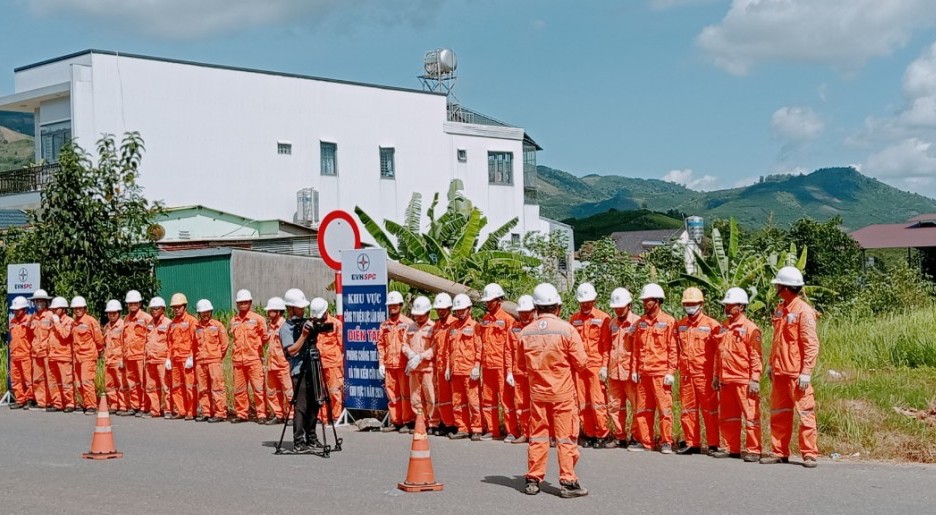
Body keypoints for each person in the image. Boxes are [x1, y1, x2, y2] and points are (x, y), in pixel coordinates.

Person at [519, 283, 589, 498]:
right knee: (565, 437)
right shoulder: (567, 329)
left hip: (537, 394)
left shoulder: (525, 332)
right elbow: (582, 363)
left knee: (538, 436)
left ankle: (533, 479)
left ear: (536, 308)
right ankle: (568, 482)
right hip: (562, 394)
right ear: (557, 307)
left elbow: (521, 367)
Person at [761, 267, 820, 468]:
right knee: (779, 413)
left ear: (785, 287)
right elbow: (777, 340)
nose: (776, 287)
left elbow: (811, 344)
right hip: (780, 372)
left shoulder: (804, 311)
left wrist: (806, 372)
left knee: (805, 413)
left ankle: (809, 453)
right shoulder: (781, 309)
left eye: (778, 285)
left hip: (796, 374)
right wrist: (770, 364)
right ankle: (779, 452)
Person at [712, 287, 762, 462]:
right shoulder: (723, 327)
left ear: (740, 306)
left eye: (730, 305)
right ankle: (729, 447)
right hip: (726, 380)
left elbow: (756, 356)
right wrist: (716, 376)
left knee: (750, 417)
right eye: (726, 304)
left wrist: (754, 379)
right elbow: (719, 353)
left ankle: (754, 450)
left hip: (743, 381)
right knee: (727, 418)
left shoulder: (750, 328)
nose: (726, 307)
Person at [630, 283, 678, 453]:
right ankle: (646, 442)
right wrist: (635, 370)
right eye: (644, 301)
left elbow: (673, 348)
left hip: (660, 373)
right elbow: (636, 348)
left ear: (657, 301)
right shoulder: (641, 323)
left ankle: (666, 442)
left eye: (647, 301)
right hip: (643, 373)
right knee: (643, 410)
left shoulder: (669, 322)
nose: (644, 304)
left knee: (664, 410)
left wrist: (671, 371)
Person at [675, 287, 722, 456]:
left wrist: (717, 375)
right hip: (686, 375)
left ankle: (713, 444)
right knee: (688, 410)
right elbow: (676, 349)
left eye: (693, 303)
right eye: (687, 304)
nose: (690, 306)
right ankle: (691, 442)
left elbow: (719, 353)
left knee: (709, 410)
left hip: (705, 375)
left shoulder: (712, 325)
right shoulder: (680, 326)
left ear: (701, 304)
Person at [569, 282, 613, 448]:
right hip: (579, 367)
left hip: (596, 365)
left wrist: (604, 366)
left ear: (594, 300)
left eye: (588, 301)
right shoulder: (574, 320)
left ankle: (602, 433)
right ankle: (588, 433)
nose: (585, 304)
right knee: (583, 401)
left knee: (598, 400)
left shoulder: (603, 318)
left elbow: (606, 345)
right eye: (582, 301)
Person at [280, 288, 320, 453]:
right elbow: (291, 351)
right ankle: (298, 441)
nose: (302, 310)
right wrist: (303, 336)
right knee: (301, 407)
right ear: (290, 308)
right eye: (299, 307)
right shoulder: (286, 328)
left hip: (311, 367)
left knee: (314, 404)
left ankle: (311, 438)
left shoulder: (305, 323)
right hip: (298, 370)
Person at [478, 283, 516, 440]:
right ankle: (492, 430)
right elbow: (481, 342)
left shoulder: (508, 320)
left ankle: (511, 431)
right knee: (488, 400)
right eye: (486, 301)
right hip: (487, 366)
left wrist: (510, 370)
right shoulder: (485, 320)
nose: (488, 304)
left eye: (490, 301)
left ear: (499, 300)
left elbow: (510, 346)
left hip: (501, 366)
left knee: (506, 400)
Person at [446, 293, 483, 440]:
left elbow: (479, 348)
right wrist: (449, 368)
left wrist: (477, 366)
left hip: (469, 371)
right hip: (456, 371)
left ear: (469, 309)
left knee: (473, 401)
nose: (460, 313)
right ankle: (462, 428)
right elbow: (448, 350)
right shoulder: (452, 328)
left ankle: (477, 428)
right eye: (457, 310)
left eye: (463, 310)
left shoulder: (475, 327)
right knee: (457, 402)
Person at [606, 288, 639, 448]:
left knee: (636, 406)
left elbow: (640, 350)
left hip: (630, 372)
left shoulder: (637, 323)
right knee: (614, 406)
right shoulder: (612, 324)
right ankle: (619, 437)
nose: (618, 310)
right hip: (614, 372)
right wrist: (604, 368)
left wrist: (636, 371)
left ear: (629, 305)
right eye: (616, 308)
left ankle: (635, 436)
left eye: (621, 307)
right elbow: (607, 348)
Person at [377, 291, 414, 432]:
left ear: (400, 305)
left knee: (405, 394)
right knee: (392, 395)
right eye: (390, 305)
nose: (392, 307)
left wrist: (411, 361)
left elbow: (412, 343)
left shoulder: (408, 324)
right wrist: (381, 363)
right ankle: (395, 421)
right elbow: (381, 345)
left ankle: (407, 421)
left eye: (395, 305)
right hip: (389, 365)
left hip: (403, 365)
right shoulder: (384, 326)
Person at [229, 289, 268, 423]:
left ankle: (261, 414)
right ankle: (242, 413)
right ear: (237, 304)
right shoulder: (233, 321)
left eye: (245, 302)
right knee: (239, 389)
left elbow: (264, 337)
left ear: (250, 303)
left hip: (253, 359)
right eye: (240, 303)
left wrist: (255, 350)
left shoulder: (258, 319)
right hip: (238, 361)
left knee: (258, 388)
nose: (243, 305)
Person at [308, 297, 343, 424]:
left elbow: (341, 344)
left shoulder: (335, 324)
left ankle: (335, 416)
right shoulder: (312, 324)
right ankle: (322, 416)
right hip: (316, 362)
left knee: (334, 391)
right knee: (319, 391)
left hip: (333, 363)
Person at [403, 296, 436, 428]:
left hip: (428, 368)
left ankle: (433, 423)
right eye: (416, 315)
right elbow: (404, 344)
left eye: (421, 315)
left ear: (427, 313)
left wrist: (421, 356)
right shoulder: (410, 327)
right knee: (415, 398)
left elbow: (435, 347)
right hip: (414, 369)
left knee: (430, 397)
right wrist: (410, 354)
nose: (418, 318)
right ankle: (420, 423)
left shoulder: (433, 327)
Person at [506, 295, 535, 444]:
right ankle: (525, 432)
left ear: (534, 311)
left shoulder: (537, 327)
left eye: (527, 312)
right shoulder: (514, 329)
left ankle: (539, 433)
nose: (524, 315)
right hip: (518, 373)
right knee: (522, 404)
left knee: (537, 404)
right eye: (522, 312)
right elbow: (509, 351)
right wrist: (509, 371)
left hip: (535, 373)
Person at [194, 299, 229, 423]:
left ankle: (220, 413)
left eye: (207, 312)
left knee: (217, 387)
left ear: (211, 312)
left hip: (214, 361)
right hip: (200, 361)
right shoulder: (196, 327)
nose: (205, 314)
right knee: (203, 388)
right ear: (199, 313)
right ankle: (206, 412)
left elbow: (225, 344)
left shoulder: (218, 325)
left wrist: (218, 357)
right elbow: (194, 345)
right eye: (202, 312)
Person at [70, 296, 104, 414]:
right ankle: (85, 403)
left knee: (87, 381)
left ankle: (91, 406)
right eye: (75, 308)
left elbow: (99, 339)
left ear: (84, 308)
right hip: (77, 357)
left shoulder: (90, 321)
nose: (77, 310)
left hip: (88, 356)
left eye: (80, 308)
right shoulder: (74, 323)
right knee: (79, 383)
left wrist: (99, 351)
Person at [167, 293, 197, 420]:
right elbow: (169, 342)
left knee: (189, 387)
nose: (176, 309)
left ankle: (191, 411)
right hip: (175, 359)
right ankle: (181, 410)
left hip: (186, 359)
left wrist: (191, 357)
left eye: (179, 307)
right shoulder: (172, 323)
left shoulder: (191, 321)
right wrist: (168, 358)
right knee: (176, 387)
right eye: (174, 307)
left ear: (185, 307)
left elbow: (195, 340)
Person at [429, 293, 456, 436]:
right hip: (439, 367)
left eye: (442, 309)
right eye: (438, 309)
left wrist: (449, 366)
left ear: (449, 308)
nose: (440, 311)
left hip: (453, 366)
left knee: (455, 398)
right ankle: (447, 424)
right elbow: (435, 347)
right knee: (443, 398)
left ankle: (456, 425)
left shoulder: (455, 324)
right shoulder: (437, 326)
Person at [122, 290, 152, 417]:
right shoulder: (126, 319)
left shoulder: (146, 318)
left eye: (135, 303)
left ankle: (145, 406)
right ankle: (135, 406)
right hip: (129, 356)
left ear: (139, 303)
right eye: (130, 303)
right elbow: (124, 338)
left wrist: (147, 355)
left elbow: (151, 337)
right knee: (132, 383)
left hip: (141, 356)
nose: (132, 305)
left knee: (143, 382)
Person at [263, 297, 292, 425]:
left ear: (278, 312)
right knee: (272, 391)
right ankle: (278, 414)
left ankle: (292, 415)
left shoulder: (285, 326)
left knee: (288, 391)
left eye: (271, 311)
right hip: (271, 364)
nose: (268, 313)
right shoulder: (270, 326)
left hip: (283, 364)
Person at [144, 297, 173, 418]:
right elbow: (147, 341)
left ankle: (168, 410)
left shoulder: (168, 323)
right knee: (151, 387)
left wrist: (169, 358)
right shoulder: (149, 324)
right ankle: (155, 410)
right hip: (150, 360)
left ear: (163, 309)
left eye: (157, 308)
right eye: (152, 309)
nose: (154, 311)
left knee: (166, 387)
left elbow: (172, 342)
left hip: (162, 360)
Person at [47, 296, 76, 413]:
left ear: (63, 309)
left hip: (64, 357)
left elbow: (65, 335)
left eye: (56, 309)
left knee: (66, 382)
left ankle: (70, 403)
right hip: (52, 356)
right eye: (52, 309)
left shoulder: (69, 321)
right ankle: (57, 403)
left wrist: (57, 323)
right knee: (53, 382)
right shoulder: (53, 321)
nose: (53, 311)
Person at [29, 289, 54, 410]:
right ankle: (41, 402)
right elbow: (29, 334)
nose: (39, 303)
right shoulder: (33, 317)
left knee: (50, 378)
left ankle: (52, 402)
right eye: (36, 301)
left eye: (41, 301)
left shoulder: (50, 316)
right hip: (36, 353)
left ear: (46, 302)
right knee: (38, 379)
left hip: (47, 353)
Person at [8, 296, 34, 409]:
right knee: (15, 379)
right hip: (14, 355)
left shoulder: (29, 320)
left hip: (26, 354)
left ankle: (29, 399)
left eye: (18, 310)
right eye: (15, 310)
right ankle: (20, 399)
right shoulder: (12, 321)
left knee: (28, 379)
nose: (16, 312)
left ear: (24, 309)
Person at [102, 300, 128, 414]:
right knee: (109, 385)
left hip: (118, 360)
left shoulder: (123, 325)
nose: (112, 315)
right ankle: (113, 405)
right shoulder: (107, 327)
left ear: (119, 313)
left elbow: (126, 344)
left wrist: (123, 359)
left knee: (121, 384)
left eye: (114, 313)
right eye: (110, 313)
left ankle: (123, 406)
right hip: (108, 360)